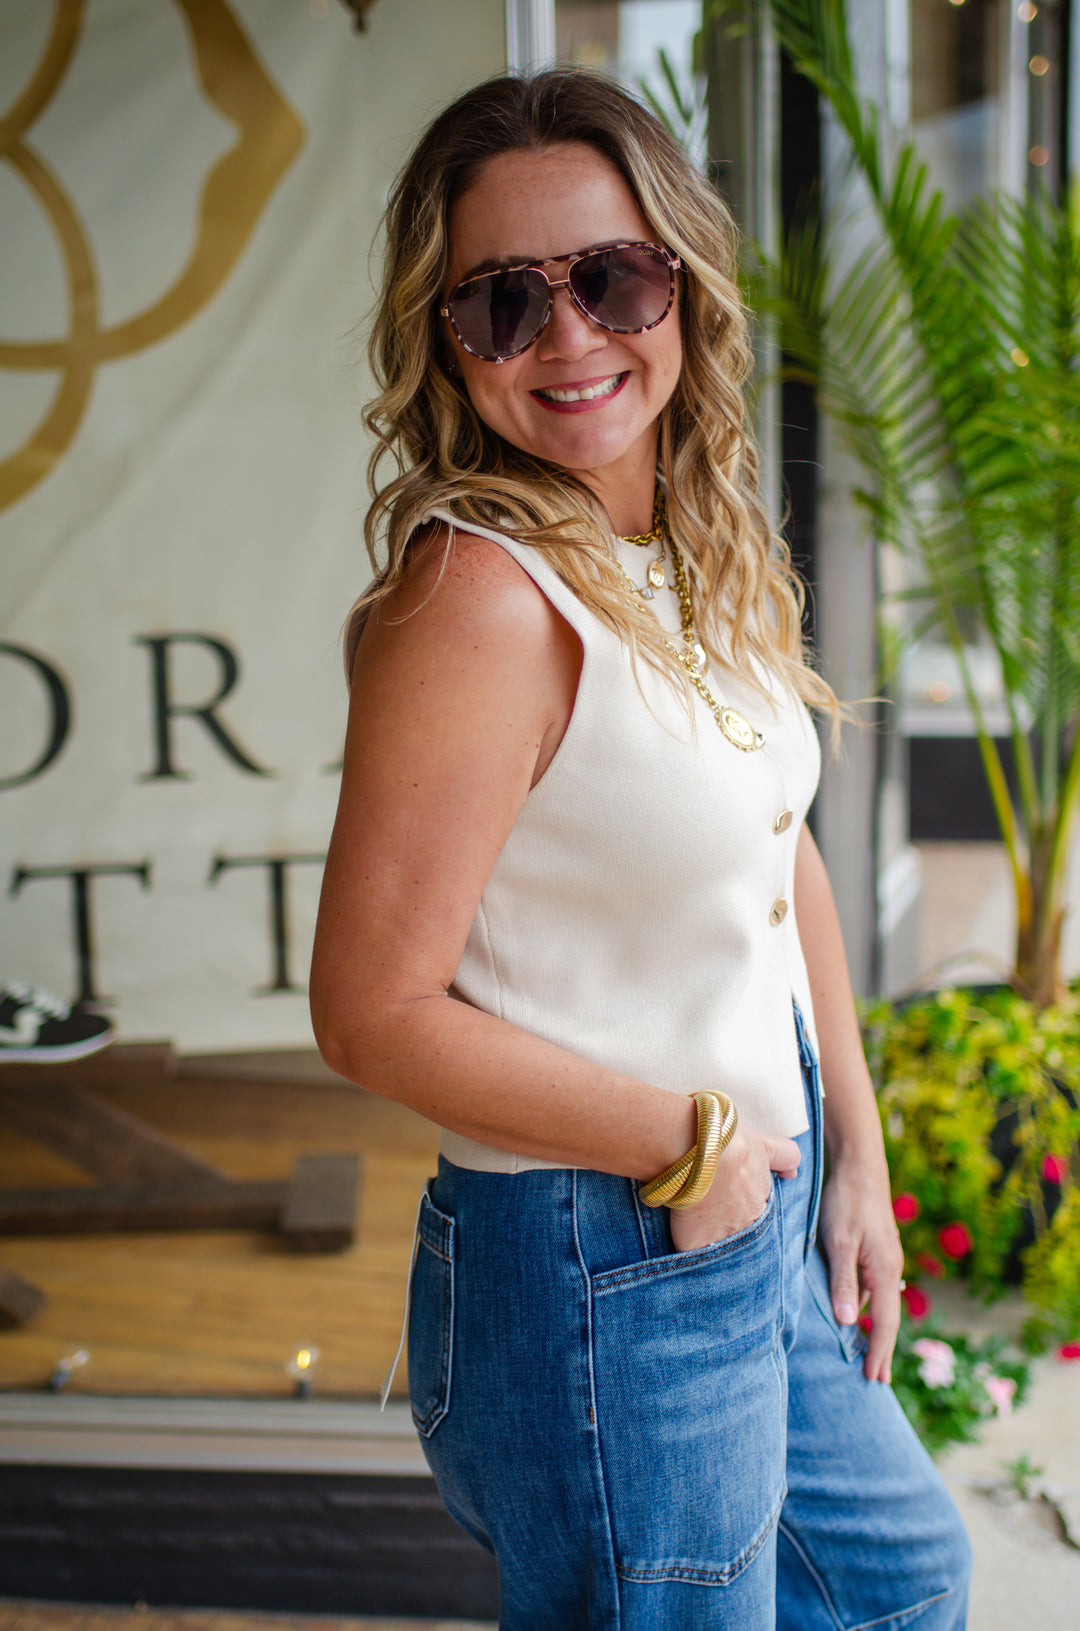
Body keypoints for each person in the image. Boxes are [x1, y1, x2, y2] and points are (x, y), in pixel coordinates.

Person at [310, 69, 971, 1630]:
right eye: (503, 302)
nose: (571, 337)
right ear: (445, 337)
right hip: (609, 1248)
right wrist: (688, 1143)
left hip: (748, 1188)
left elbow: (777, 849)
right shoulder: (478, 597)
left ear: (681, 279)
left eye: (613, 276)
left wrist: (854, 1157)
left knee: (898, 1586)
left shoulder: (680, 538)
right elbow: (368, 1012)